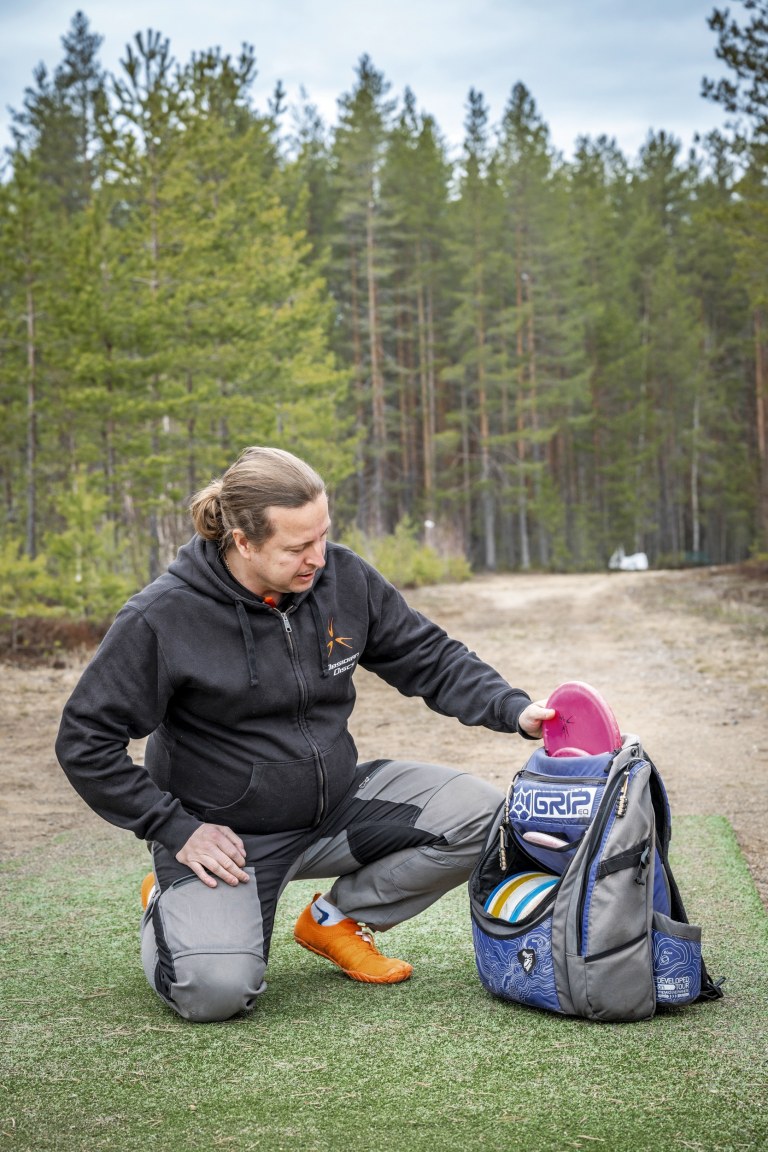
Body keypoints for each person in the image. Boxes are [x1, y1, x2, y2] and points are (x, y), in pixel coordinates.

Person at [56, 446, 554, 1023]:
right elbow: (84, 739)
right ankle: (169, 899)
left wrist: (513, 709)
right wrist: (174, 829)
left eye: (323, 535)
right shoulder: (163, 616)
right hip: (228, 841)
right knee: (213, 993)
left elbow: (427, 655)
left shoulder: (342, 576)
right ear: (243, 542)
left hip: (334, 807)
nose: (318, 558)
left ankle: (335, 920)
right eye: (296, 547)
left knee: (483, 816)